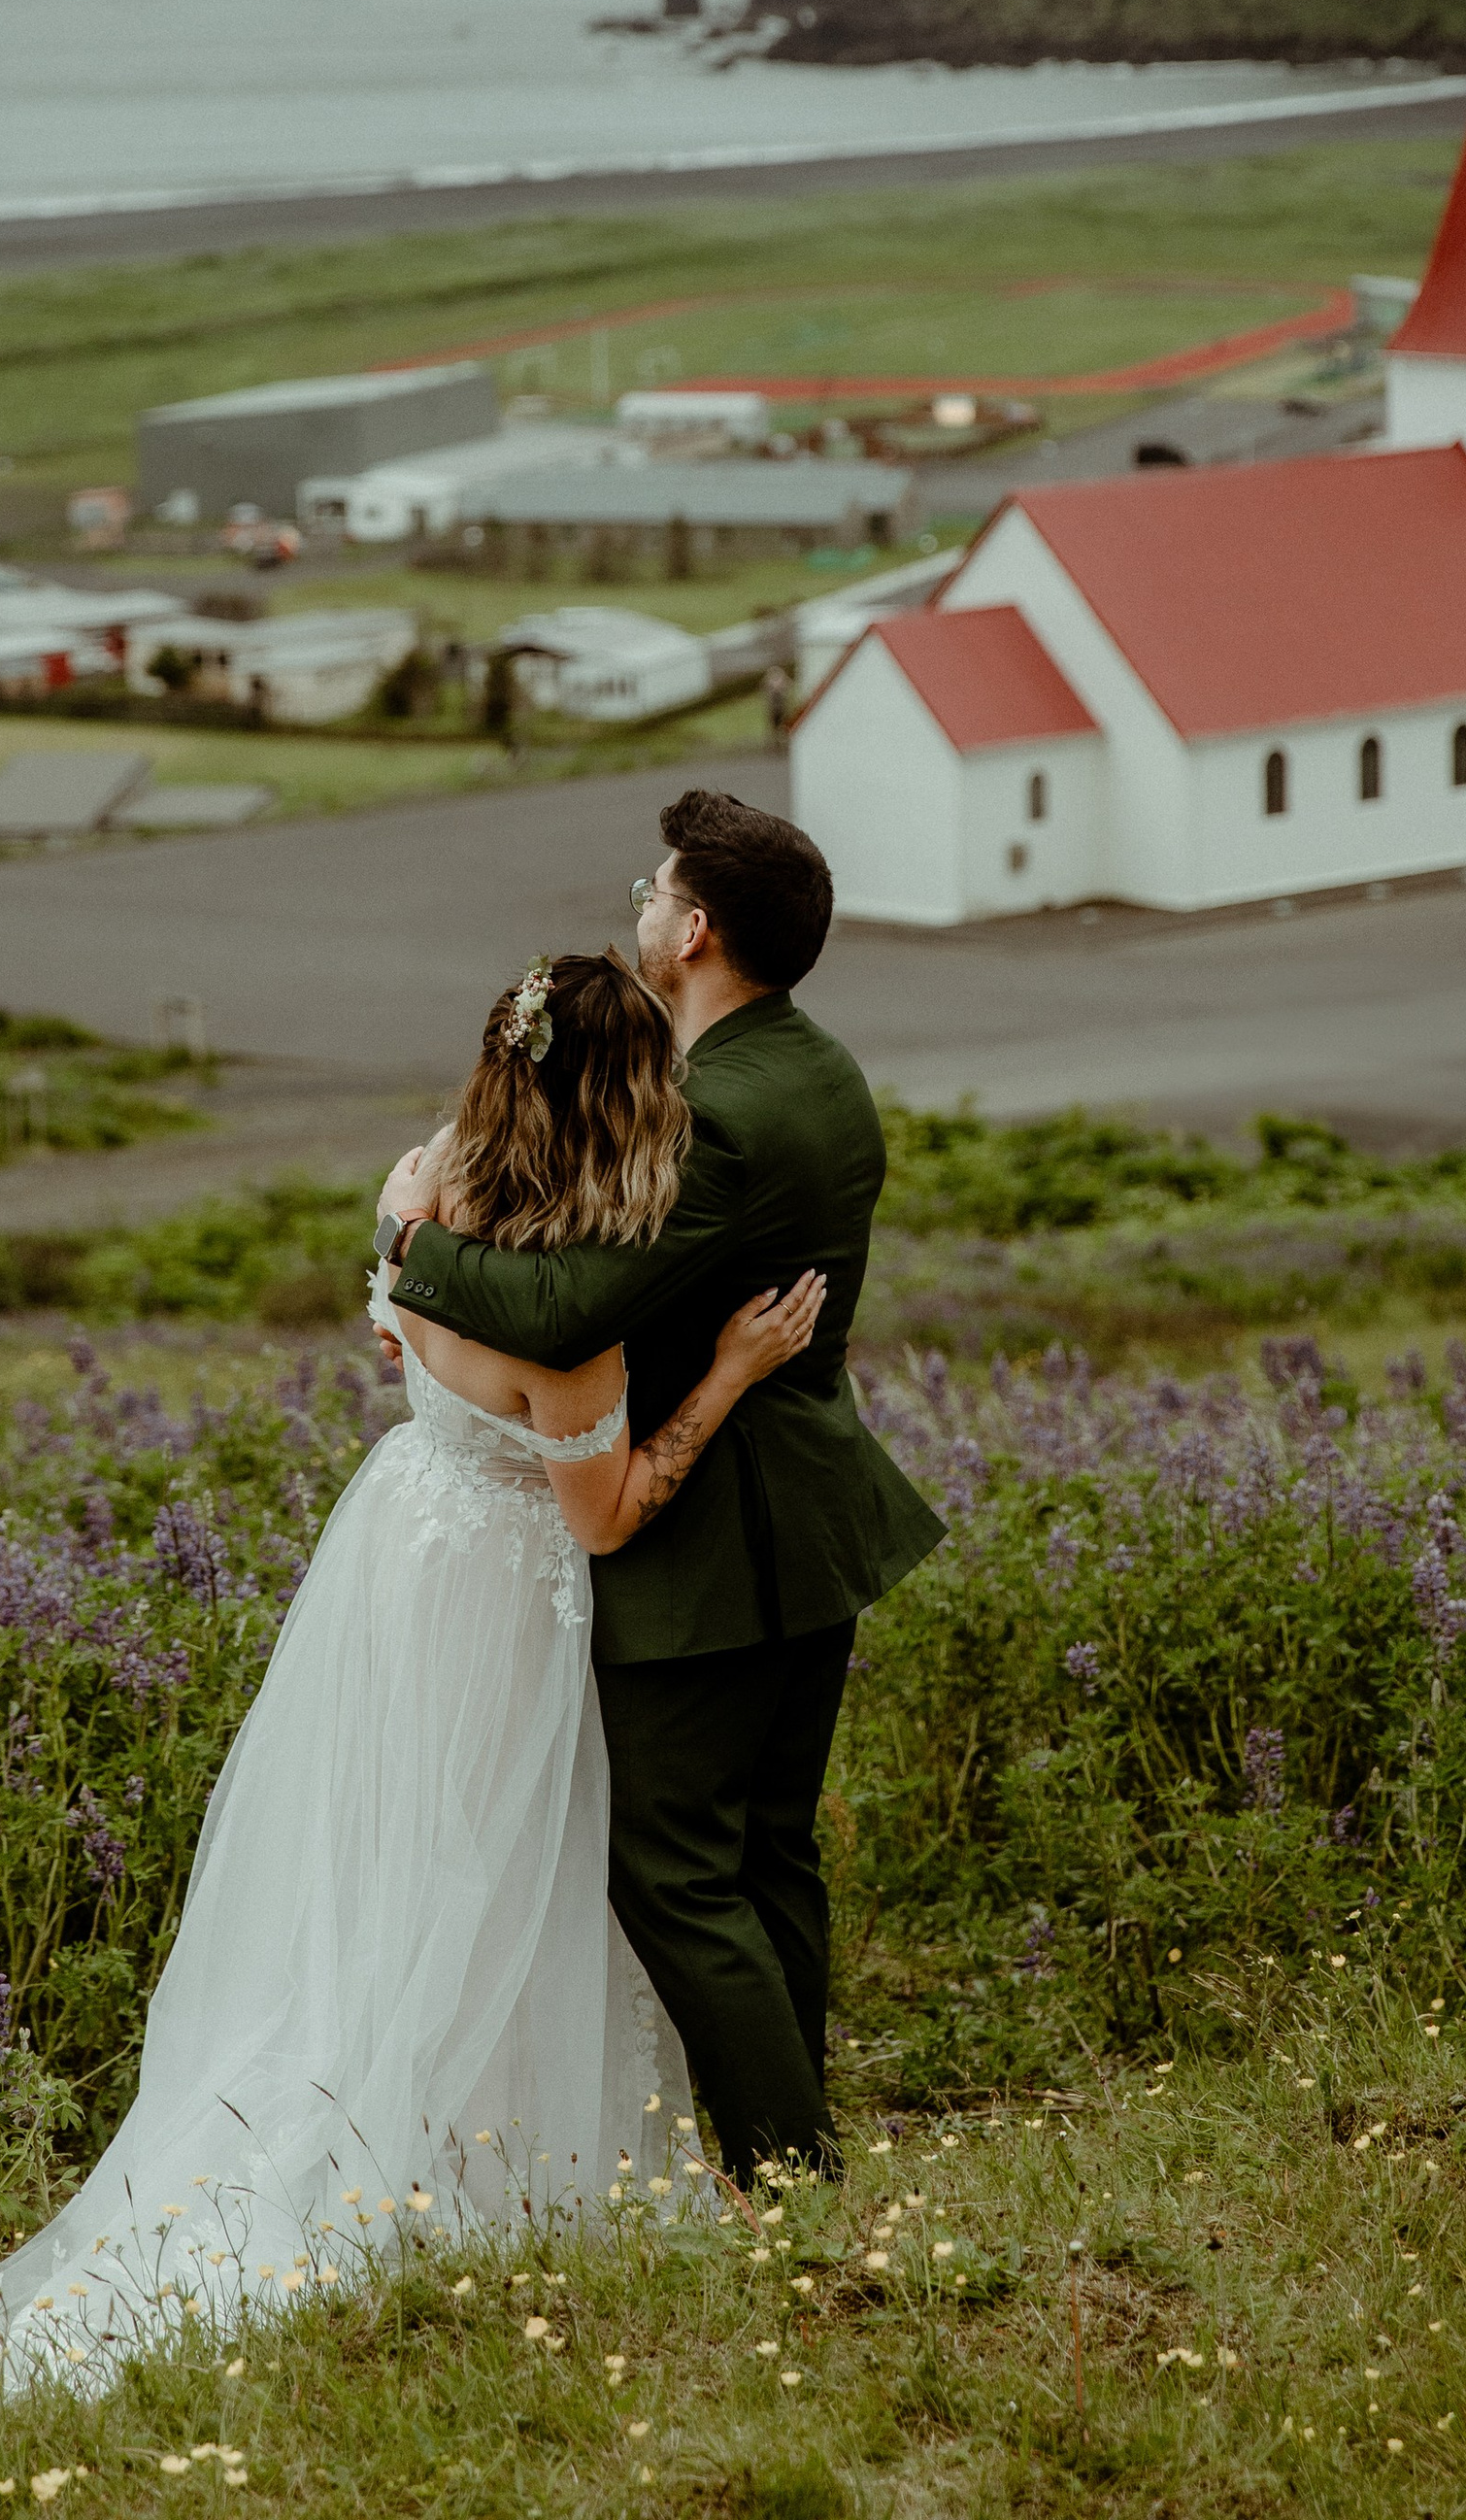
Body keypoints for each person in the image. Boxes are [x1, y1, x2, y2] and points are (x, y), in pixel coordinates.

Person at [0, 945, 819, 2395]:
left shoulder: (417, 1187)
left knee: (389, 1877)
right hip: (506, 1591)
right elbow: (613, 1509)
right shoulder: (562, 1327)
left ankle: (404, 2110)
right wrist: (730, 1376)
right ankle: (466, 2157)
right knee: (505, 1881)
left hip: (399, 1549)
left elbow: (393, 1325)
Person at [378, 788, 944, 2186]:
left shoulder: (720, 1117)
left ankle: (792, 2175)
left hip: (716, 1540)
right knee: (768, 1856)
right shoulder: (820, 1067)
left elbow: (570, 1312)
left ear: (692, 930)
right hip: (812, 1512)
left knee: (680, 1874)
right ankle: (797, 2139)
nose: (637, 899)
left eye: (653, 885)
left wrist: (407, 1251)